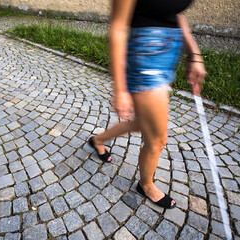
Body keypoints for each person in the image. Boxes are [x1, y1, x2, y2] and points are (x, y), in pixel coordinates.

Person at [88, 0, 207, 209]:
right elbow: (117, 27)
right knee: (158, 139)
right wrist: (120, 89)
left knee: (141, 124)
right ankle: (146, 184)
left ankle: (98, 140)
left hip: (168, 57)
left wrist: (194, 54)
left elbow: (174, 13)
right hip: (146, 60)